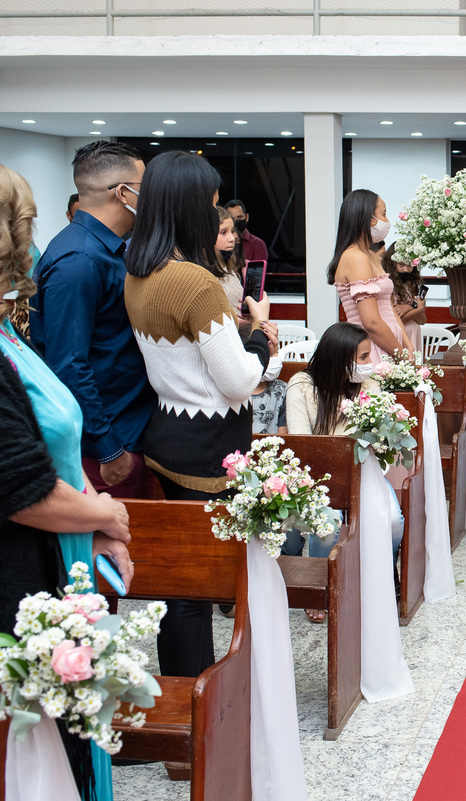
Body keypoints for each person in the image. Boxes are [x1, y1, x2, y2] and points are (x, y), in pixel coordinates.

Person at [1, 161, 133, 801]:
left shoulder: (6, 327)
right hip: (19, 577)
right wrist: (103, 513)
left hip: (55, 547)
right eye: (24, 229)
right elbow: (17, 487)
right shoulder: (78, 263)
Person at [124, 151, 277, 679]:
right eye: (213, 207)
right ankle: (203, 710)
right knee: (200, 586)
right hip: (209, 446)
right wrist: (259, 334)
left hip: (166, 434)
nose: (222, 220)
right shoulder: (195, 281)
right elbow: (238, 380)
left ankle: (188, 700)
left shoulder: (139, 269)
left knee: (179, 586)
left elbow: (186, 359)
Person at [30, 140, 159, 500]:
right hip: (106, 445)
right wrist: (107, 447)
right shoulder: (79, 260)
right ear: (123, 193)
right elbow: (68, 364)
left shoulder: (108, 248)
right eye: (144, 187)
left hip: (129, 430)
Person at [286, 322, 398, 621]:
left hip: (362, 470)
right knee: (328, 524)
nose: (368, 364)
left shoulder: (369, 386)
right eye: (362, 358)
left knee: (394, 520)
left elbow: (380, 443)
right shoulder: (302, 386)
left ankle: (386, 579)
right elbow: (301, 445)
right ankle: (321, 587)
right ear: (340, 358)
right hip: (315, 474)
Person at [328, 189, 416, 363]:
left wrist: (408, 345)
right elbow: (371, 323)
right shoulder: (355, 257)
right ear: (368, 219)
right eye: (383, 214)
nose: (387, 221)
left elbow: (389, 307)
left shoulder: (368, 254)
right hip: (373, 348)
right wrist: (401, 354)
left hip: (390, 346)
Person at [383, 241, 427, 357]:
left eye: (409, 265)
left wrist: (407, 308)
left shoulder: (412, 286)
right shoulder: (388, 286)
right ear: (392, 265)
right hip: (399, 334)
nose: (406, 270)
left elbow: (422, 320)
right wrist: (415, 309)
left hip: (414, 332)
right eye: (401, 265)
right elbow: (396, 319)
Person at [214, 204, 247, 318]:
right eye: (223, 232)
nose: (232, 238)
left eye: (232, 231)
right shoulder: (203, 274)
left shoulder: (229, 268)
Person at [224, 198, 268, 264]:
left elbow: (256, 273)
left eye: (239, 217)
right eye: (232, 218)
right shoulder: (221, 242)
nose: (236, 221)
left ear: (246, 217)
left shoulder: (258, 244)